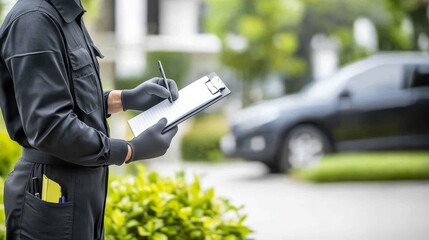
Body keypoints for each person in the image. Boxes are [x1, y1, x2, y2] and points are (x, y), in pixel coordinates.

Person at [0, 0, 179, 239]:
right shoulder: (34, 19)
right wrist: (129, 150)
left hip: (81, 193)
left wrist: (124, 99)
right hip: (50, 194)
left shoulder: (67, 14)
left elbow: (71, 100)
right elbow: (50, 127)